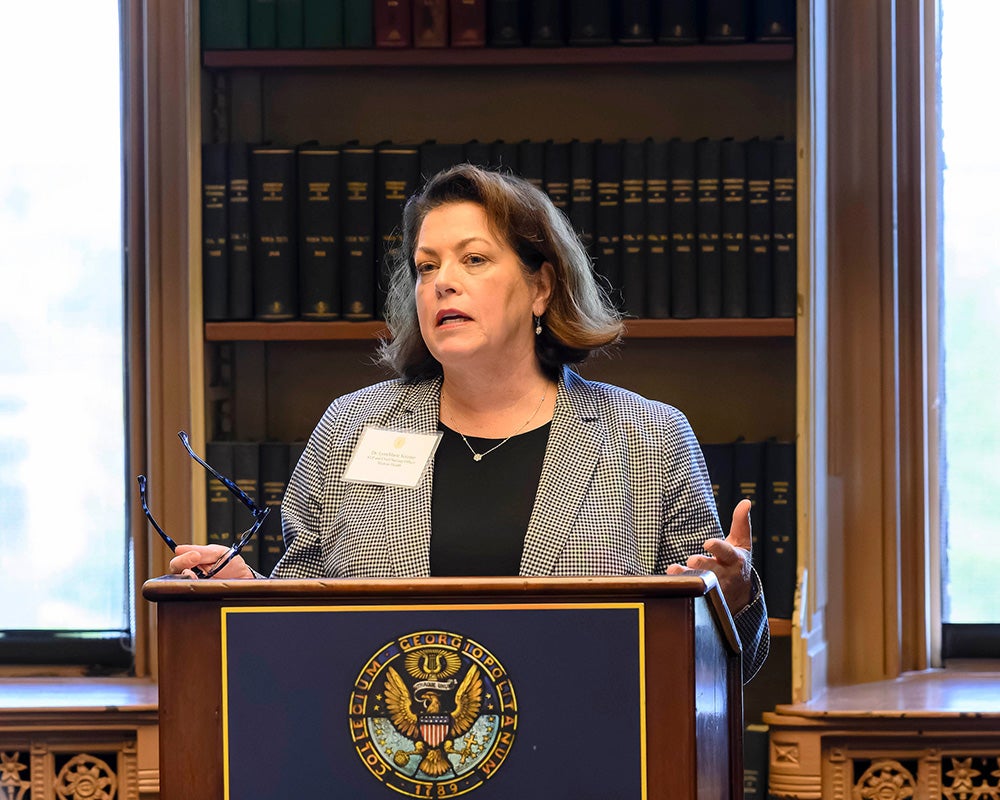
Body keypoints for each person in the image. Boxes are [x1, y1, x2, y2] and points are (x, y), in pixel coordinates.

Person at [170, 163, 769, 681]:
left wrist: (734, 600)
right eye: (426, 267)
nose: (442, 282)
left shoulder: (646, 436)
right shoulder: (355, 426)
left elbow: (720, 663)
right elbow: (302, 625)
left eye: (474, 259)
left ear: (541, 286)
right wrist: (243, 590)